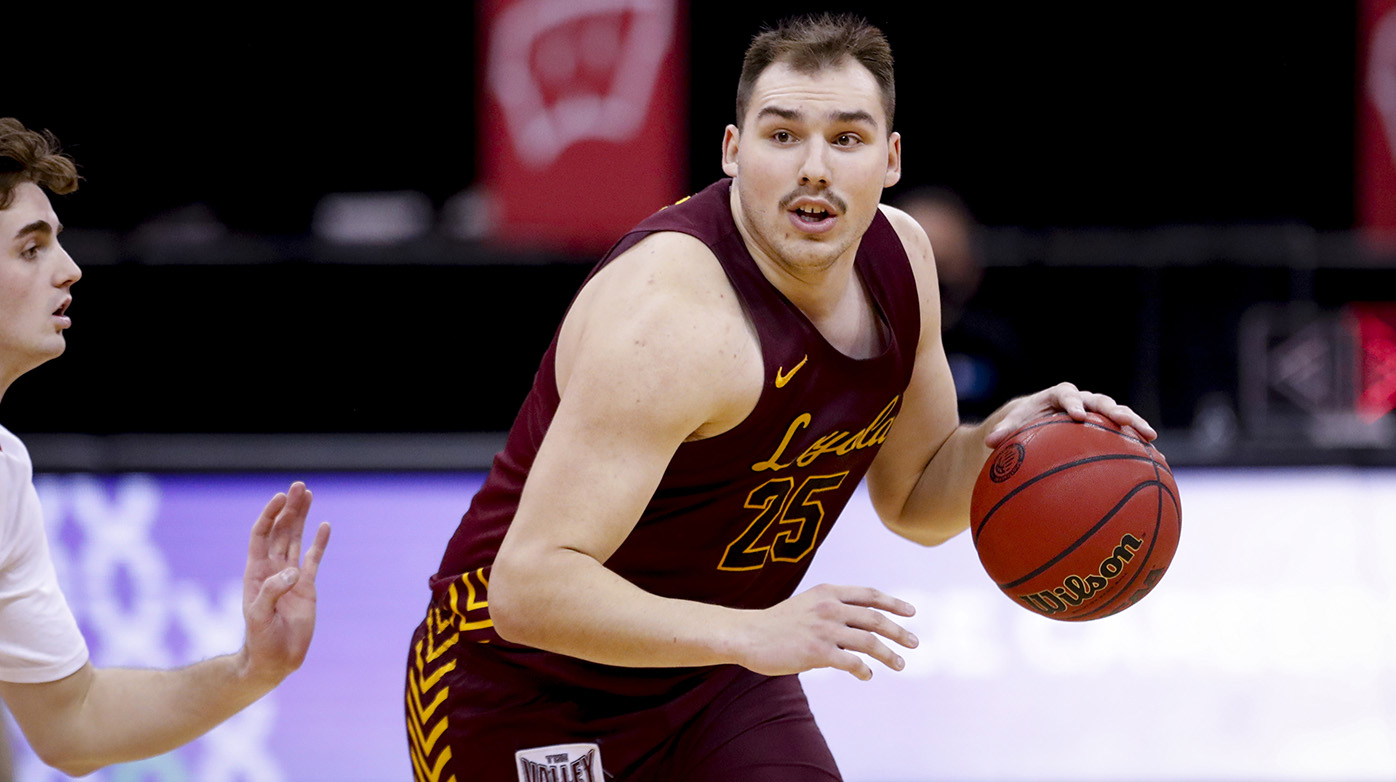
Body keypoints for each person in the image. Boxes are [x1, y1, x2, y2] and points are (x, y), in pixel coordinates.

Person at [405, 13, 1155, 781]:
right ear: (734, 152)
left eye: (848, 139)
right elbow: (527, 590)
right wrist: (748, 633)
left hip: (714, 679)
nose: (815, 168)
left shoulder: (903, 261)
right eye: (783, 135)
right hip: (522, 682)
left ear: (890, 160)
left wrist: (1006, 437)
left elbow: (915, 500)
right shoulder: (673, 320)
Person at [0, 117, 332, 777]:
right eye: (30, 249)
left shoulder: (3, 469)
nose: (70, 270)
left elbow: (74, 723)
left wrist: (253, 668)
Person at [894, 186, 1025, 420]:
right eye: (921, 259)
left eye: (944, 263)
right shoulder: (859, 346)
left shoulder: (997, 346)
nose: (933, 281)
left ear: (971, 265)